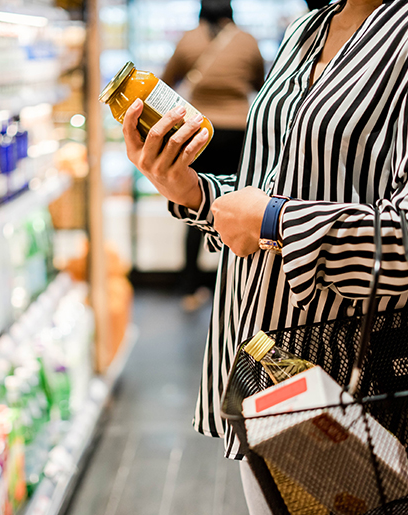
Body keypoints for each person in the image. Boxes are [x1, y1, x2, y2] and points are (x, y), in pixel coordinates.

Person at [122, 0, 408, 512]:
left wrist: (276, 221)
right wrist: (194, 193)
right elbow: (274, 184)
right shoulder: (307, 28)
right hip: (262, 367)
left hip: (351, 384)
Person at [160, 0, 265, 311]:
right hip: (238, 133)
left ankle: (189, 289)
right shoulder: (247, 41)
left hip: (198, 132)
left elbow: (166, 84)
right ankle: (234, 289)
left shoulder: (187, 39)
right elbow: (260, 83)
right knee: (236, 204)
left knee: (196, 205)